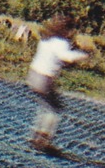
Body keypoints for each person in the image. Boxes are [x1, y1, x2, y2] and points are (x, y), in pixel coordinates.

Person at [27, 14, 86, 153]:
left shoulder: (47, 39)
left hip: (33, 74)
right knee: (54, 110)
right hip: (45, 79)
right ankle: (42, 141)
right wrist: (84, 54)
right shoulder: (61, 43)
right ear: (66, 30)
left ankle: (36, 134)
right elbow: (68, 58)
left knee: (45, 106)